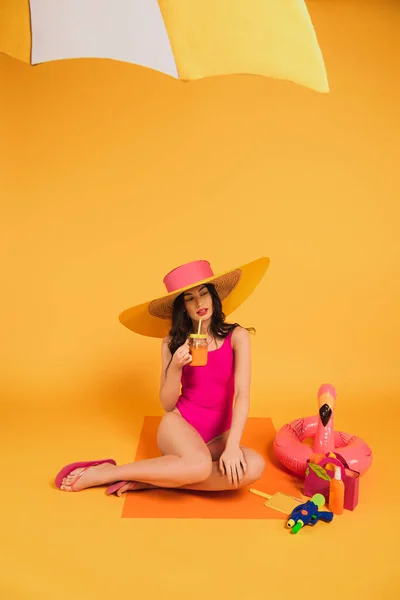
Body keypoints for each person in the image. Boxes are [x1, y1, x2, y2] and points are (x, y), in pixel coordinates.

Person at [55, 257, 270, 496]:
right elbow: (167, 404)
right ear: (183, 308)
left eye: (204, 293)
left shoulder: (237, 336)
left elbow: (242, 395)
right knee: (199, 465)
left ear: (214, 297)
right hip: (180, 427)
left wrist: (231, 447)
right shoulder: (171, 343)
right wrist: (176, 366)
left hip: (220, 436)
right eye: (189, 298)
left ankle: (155, 479)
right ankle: (108, 472)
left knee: (253, 466)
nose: (199, 302)